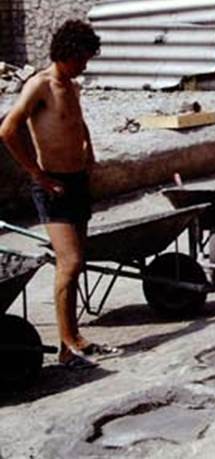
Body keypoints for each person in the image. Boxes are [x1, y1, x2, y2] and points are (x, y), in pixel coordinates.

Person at [0, 20, 119, 368]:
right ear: (67, 53)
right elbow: (8, 130)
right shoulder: (40, 85)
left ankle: (74, 340)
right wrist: (36, 173)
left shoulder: (73, 85)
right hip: (51, 185)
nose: (86, 65)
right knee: (70, 262)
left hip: (77, 181)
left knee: (77, 260)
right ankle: (67, 344)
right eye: (82, 57)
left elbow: (77, 122)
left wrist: (90, 152)